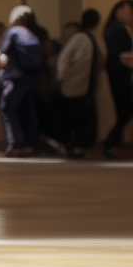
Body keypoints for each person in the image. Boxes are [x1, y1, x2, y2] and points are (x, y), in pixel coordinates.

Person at [49, 9, 100, 158]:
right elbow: (64, 58)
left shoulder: (84, 37)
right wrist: (62, 77)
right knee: (77, 117)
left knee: (79, 117)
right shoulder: (82, 38)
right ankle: (73, 145)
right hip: (76, 84)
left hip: (79, 84)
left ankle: (75, 145)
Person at [0, 5, 43, 157]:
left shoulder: (12, 32)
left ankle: (15, 144)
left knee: (7, 108)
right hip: (31, 79)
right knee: (27, 111)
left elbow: (3, 57)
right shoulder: (34, 35)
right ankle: (29, 144)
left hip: (14, 77)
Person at [103, 0, 133, 159]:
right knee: (126, 112)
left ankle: (111, 144)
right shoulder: (116, 29)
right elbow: (120, 55)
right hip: (119, 77)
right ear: (119, 9)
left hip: (119, 76)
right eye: (130, 10)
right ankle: (110, 144)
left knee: (125, 112)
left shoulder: (116, 28)